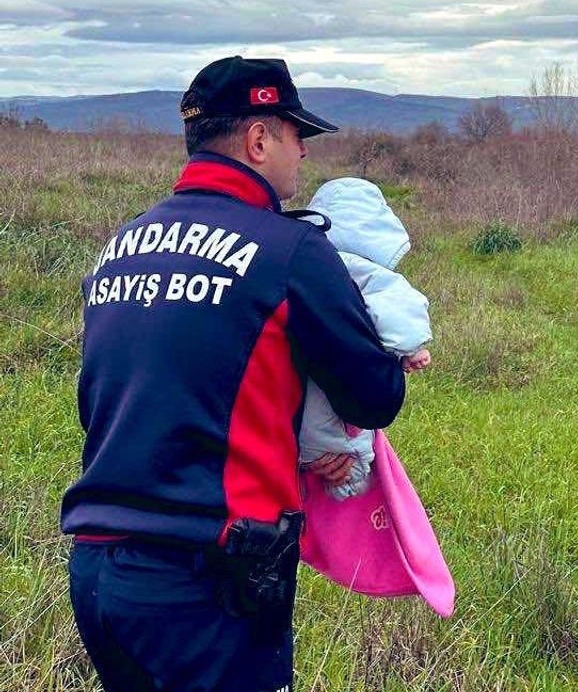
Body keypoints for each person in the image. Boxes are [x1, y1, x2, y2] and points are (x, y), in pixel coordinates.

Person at [60, 56, 406, 692]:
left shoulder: (122, 245)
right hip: (210, 583)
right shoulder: (293, 250)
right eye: (297, 133)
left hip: (96, 573)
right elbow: (375, 397)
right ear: (258, 139)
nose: (304, 151)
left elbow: (142, 396)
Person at [299, 177, 433, 500]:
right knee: (349, 438)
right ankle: (352, 485)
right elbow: (395, 304)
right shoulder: (362, 268)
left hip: (303, 381)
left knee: (313, 423)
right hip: (346, 379)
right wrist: (411, 346)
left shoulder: (305, 261)